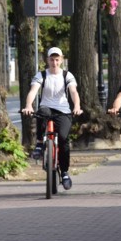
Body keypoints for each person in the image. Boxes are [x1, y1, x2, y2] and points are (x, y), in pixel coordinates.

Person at [21, 47, 82, 190]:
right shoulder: (41, 75)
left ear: (61, 60)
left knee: (63, 139)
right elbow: (33, 91)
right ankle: (39, 143)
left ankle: (65, 172)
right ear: (47, 60)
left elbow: (73, 92)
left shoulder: (67, 75)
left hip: (63, 110)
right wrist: (29, 105)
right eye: (51, 59)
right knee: (42, 112)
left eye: (57, 59)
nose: (54, 63)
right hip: (47, 107)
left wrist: (77, 106)